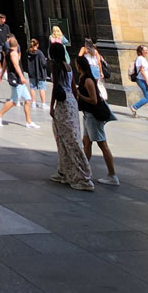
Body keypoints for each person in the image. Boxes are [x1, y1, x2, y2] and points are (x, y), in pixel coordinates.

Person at [48, 42, 93, 190]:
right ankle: (64, 172)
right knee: (67, 138)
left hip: (62, 104)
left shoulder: (56, 66)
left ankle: (83, 177)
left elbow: (56, 87)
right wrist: (76, 103)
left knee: (67, 140)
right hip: (71, 103)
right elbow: (73, 88)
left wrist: (51, 106)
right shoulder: (68, 67)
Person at [75, 53, 119, 186]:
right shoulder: (83, 78)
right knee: (87, 143)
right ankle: (84, 171)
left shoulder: (88, 80)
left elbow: (94, 100)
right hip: (88, 115)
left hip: (94, 115)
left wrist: (79, 95)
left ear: (79, 66)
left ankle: (112, 175)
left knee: (102, 144)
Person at [0, 36, 40, 130]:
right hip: (16, 79)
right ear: (17, 44)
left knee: (27, 99)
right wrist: (22, 77)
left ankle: (28, 122)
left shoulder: (7, 53)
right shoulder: (14, 53)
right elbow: (16, 65)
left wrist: (0, 76)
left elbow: (4, 65)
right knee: (14, 101)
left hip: (16, 79)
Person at [130, 45, 148, 121]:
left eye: (147, 50)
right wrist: (147, 81)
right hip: (142, 80)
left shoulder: (143, 59)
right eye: (145, 50)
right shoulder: (140, 59)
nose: (147, 52)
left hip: (147, 80)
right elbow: (142, 71)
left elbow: (147, 71)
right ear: (141, 51)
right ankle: (134, 107)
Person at [26, 38, 49, 111]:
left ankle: (33, 102)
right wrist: (46, 61)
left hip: (32, 72)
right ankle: (43, 104)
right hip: (40, 73)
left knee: (32, 88)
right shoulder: (40, 53)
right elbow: (43, 63)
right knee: (42, 88)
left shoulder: (28, 52)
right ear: (37, 45)